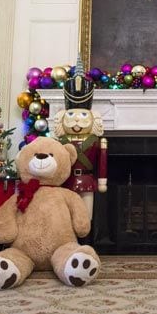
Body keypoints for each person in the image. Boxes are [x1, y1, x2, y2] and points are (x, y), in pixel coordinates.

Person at [53, 61, 107, 244]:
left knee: (86, 215)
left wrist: (102, 181)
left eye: (83, 115)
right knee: (67, 213)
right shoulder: (60, 141)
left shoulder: (96, 141)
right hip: (67, 181)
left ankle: (87, 244)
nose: (77, 119)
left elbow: (102, 161)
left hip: (87, 181)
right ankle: (68, 244)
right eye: (71, 115)